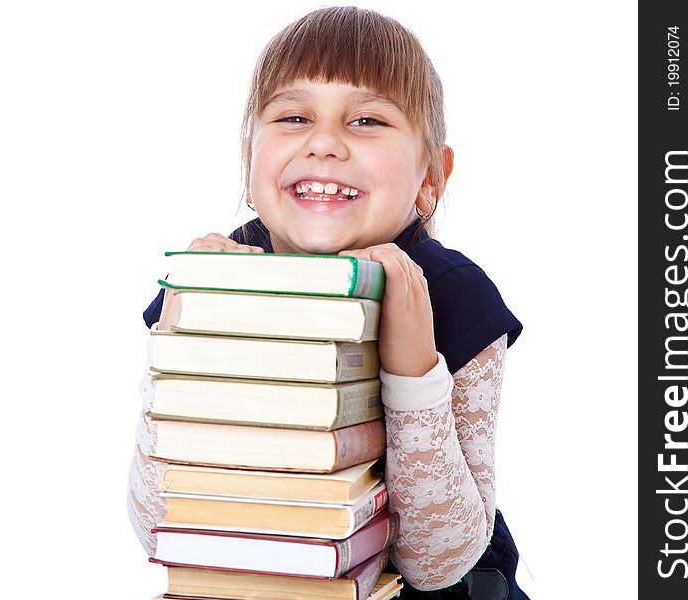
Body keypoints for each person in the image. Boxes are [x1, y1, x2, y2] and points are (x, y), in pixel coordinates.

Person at [128, 6, 528, 599]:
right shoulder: (211, 281)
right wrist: (196, 338)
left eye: (366, 120)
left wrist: (413, 374)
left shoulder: (458, 295)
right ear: (249, 161)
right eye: (293, 116)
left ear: (431, 177)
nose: (323, 143)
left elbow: (437, 562)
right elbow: (157, 524)